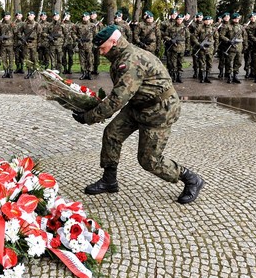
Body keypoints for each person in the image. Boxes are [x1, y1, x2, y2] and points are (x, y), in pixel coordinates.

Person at [72, 25, 205, 205]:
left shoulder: (130, 61)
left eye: (103, 48)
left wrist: (88, 117)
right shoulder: (121, 56)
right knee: (112, 134)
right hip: (138, 105)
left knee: (149, 160)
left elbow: (117, 100)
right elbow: (120, 94)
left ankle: (191, 179)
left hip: (159, 110)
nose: (101, 53)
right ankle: (109, 180)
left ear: (113, 42)